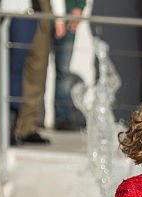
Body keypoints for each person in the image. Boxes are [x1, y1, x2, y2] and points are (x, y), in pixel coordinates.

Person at [13, 0, 53, 145]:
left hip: (39, 7)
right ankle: (10, 125)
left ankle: (27, 127)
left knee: (37, 68)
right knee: (12, 66)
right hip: (12, 8)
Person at [51, 0, 87, 131]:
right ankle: (30, 119)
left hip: (68, 13)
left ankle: (62, 118)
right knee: (37, 67)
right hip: (42, 11)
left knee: (63, 70)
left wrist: (78, 6)